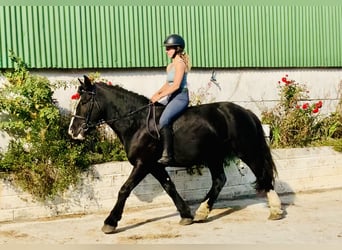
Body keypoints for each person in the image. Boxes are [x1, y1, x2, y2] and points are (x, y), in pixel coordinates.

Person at [150, 34, 191, 165]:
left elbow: (176, 85)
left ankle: (168, 155)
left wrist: (161, 96)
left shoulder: (180, 64)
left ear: (177, 49)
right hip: (171, 97)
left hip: (180, 97)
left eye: (169, 48)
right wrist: (155, 94)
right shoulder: (170, 66)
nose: (166, 51)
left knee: (164, 119)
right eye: (166, 48)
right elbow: (168, 84)